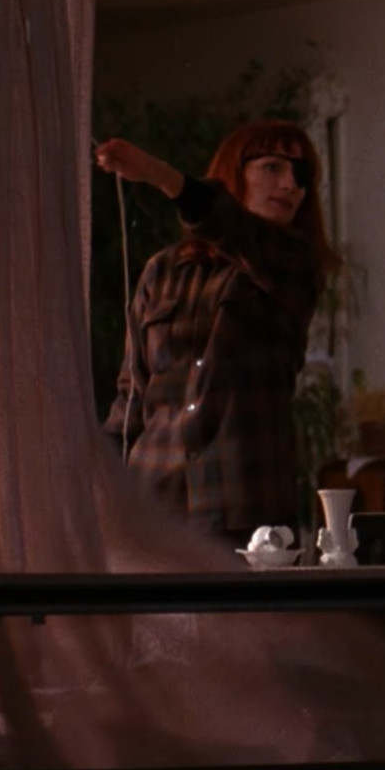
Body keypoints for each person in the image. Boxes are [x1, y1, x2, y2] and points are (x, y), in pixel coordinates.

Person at [94, 120, 339, 542]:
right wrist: (101, 482)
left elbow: (233, 227)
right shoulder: (163, 271)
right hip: (155, 499)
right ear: (234, 174)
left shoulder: (296, 265)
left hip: (244, 506)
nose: (290, 186)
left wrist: (158, 174)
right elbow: (131, 394)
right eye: (273, 167)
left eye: (302, 176)